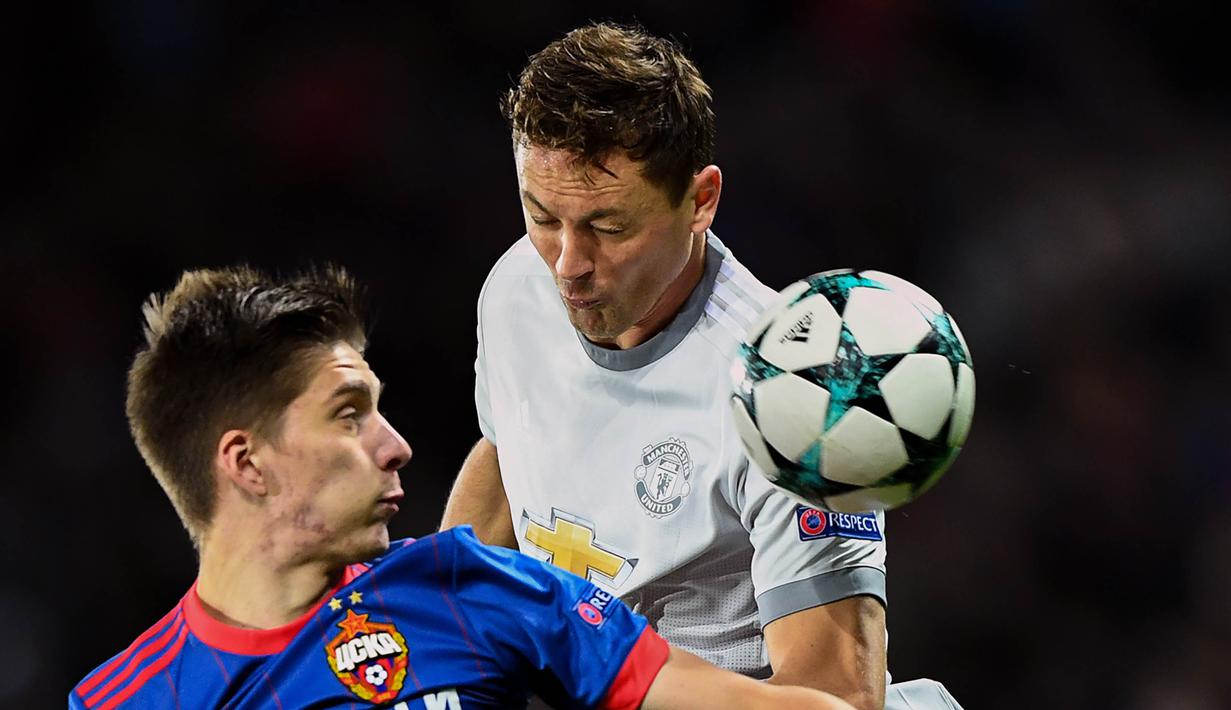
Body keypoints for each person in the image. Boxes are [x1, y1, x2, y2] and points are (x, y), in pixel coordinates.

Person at [439, 22, 962, 710]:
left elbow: (837, 697)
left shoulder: (794, 392)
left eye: (608, 227)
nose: (567, 264)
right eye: (542, 217)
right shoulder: (516, 288)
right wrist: (436, 624)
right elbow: (509, 452)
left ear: (700, 201)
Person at [69, 265, 855, 710]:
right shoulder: (127, 699)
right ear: (246, 464)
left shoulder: (470, 585)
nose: (396, 446)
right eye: (348, 416)